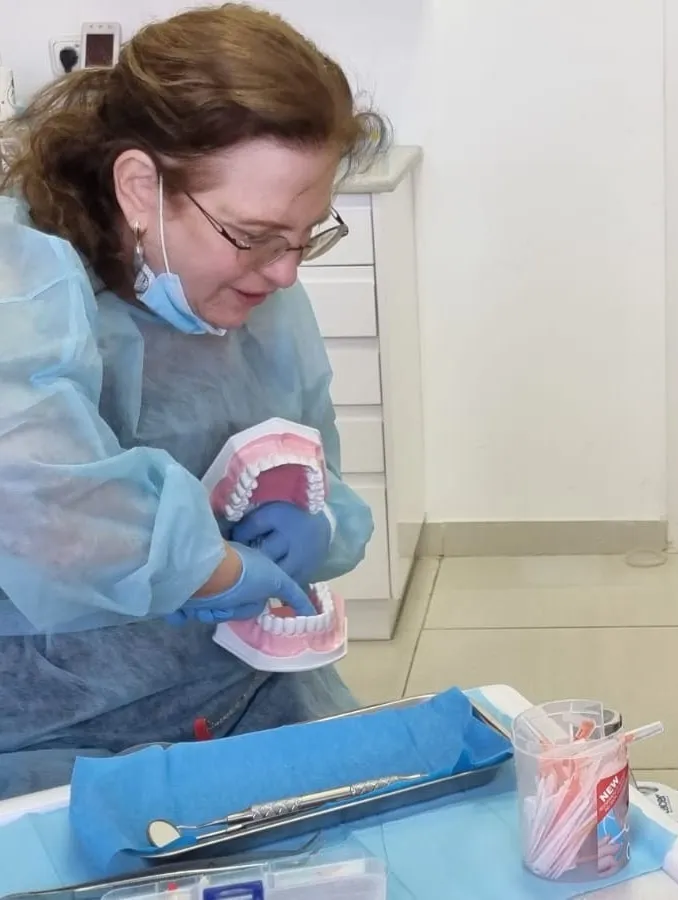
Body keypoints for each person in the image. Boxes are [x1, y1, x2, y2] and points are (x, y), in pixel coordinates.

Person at [0, 4, 389, 800]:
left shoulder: (257, 292)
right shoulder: (23, 290)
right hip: (56, 738)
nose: (285, 272)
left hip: (249, 699)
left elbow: (312, 460)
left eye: (306, 235)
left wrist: (314, 519)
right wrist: (209, 567)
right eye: (255, 235)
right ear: (140, 187)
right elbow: (40, 504)